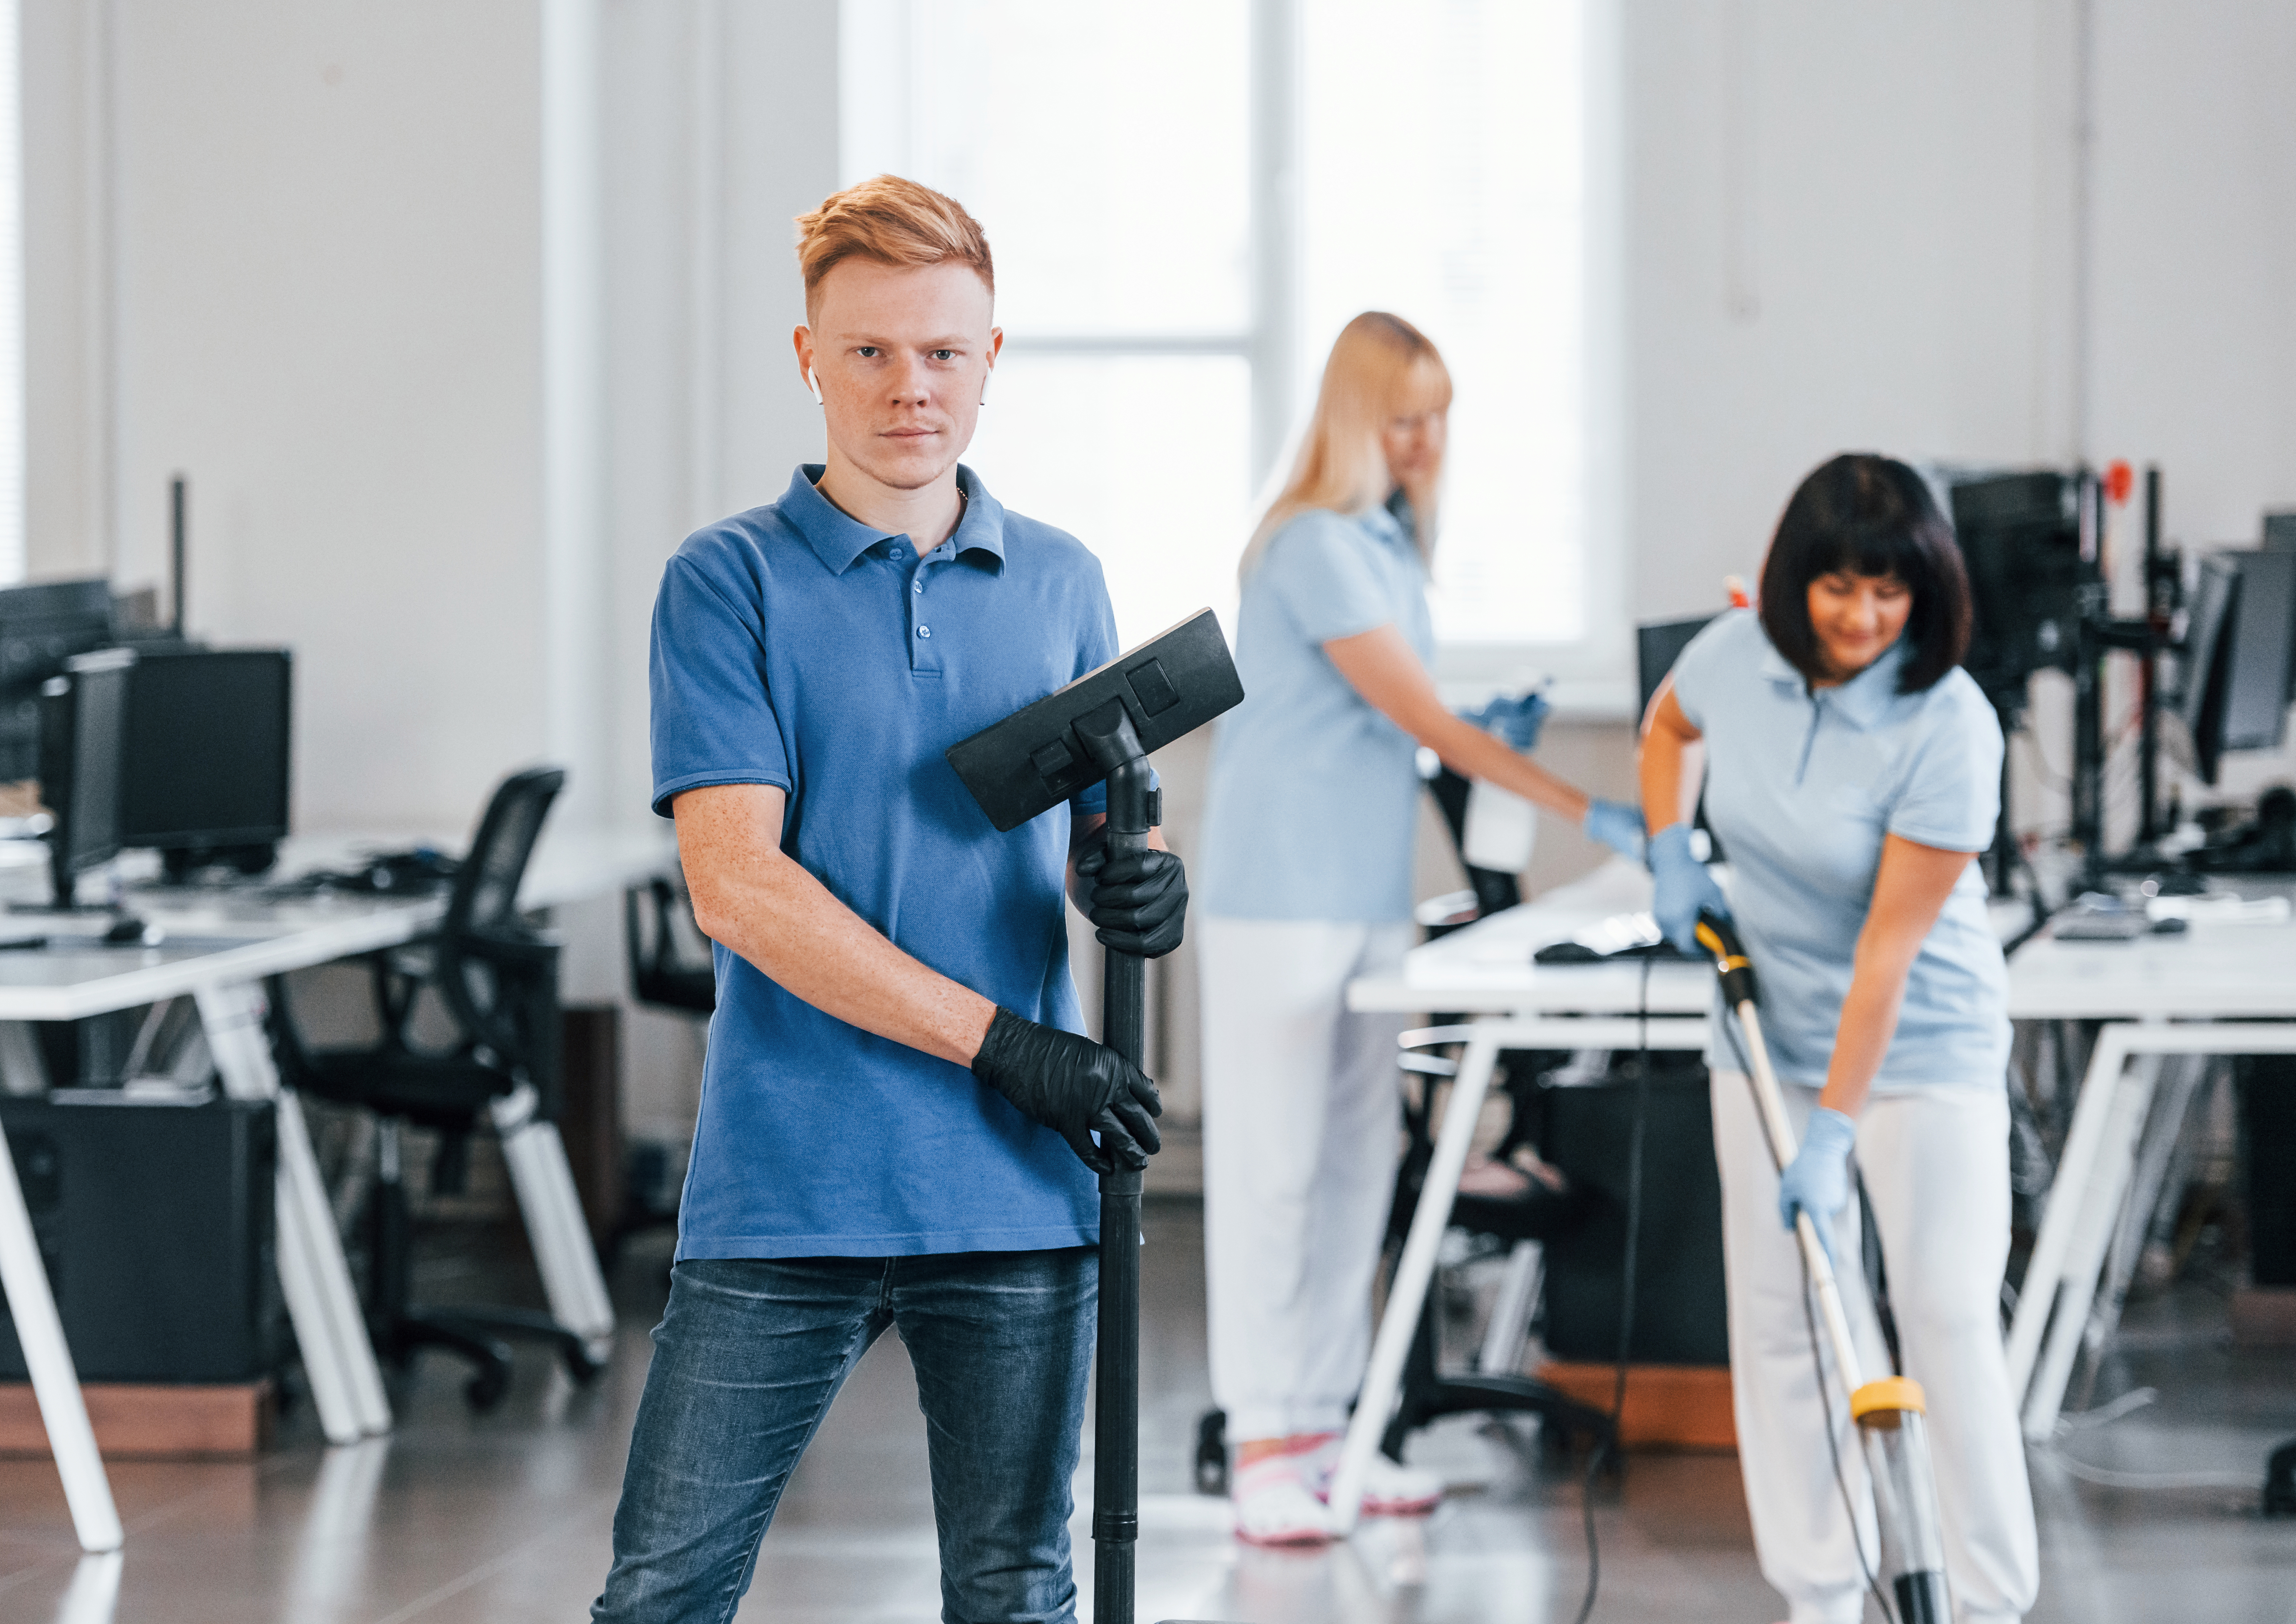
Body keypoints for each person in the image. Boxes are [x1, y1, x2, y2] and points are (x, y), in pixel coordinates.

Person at [590, 175, 1188, 1624]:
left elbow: (1097, 835)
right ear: (809, 359)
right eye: (868, 351)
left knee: (1013, 1590)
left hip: (1013, 1186)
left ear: (992, 362)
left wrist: (1138, 886)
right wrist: (1004, 1043)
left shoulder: (1062, 585)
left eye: (942, 352)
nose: (908, 387)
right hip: (788, 1178)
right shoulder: (725, 583)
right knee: (662, 1595)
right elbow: (738, 889)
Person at [1194, 311, 1645, 1546]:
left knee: (1353, 1172)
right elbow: (1422, 720)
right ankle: (1259, 1441)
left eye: (1438, 415)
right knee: (1273, 1176)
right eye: (1404, 417)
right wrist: (1595, 807)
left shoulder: (1391, 550)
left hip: (1360, 889)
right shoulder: (1308, 544)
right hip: (1275, 897)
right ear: (1354, 419)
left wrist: (1472, 719)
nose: (1426, 440)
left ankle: (1338, 1429)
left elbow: (1406, 720)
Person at [1638, 454, 2036, 1624]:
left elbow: (1885, 957)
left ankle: (1981, 1600)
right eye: (1837, 587)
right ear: (1792, 582)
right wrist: (1669, 845)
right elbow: (1669, 728)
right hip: (1762, 1031)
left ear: (1927, 592)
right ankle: (1819, 1589)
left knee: (1946, 1314)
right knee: (1783, 1321)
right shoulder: (1736, 656)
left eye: (1890, 591)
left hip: (1922, 1048)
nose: (1863, 616)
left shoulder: (1949, 724)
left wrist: (1833, 1131)